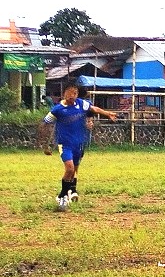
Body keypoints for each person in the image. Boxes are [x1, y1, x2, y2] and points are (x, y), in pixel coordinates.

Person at [37, 80, 117, 211]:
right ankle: (62, 196)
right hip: (65, 144)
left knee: (73, 170)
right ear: (64, 94)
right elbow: (45, 124)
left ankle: (68, 192)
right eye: (69, 93)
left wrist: (108, 114)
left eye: (75, 93)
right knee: (69, 169)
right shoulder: (57, 109)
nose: (72, 96)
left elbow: (93, 109)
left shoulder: (81, 104)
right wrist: (44, 144)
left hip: (78, 144)